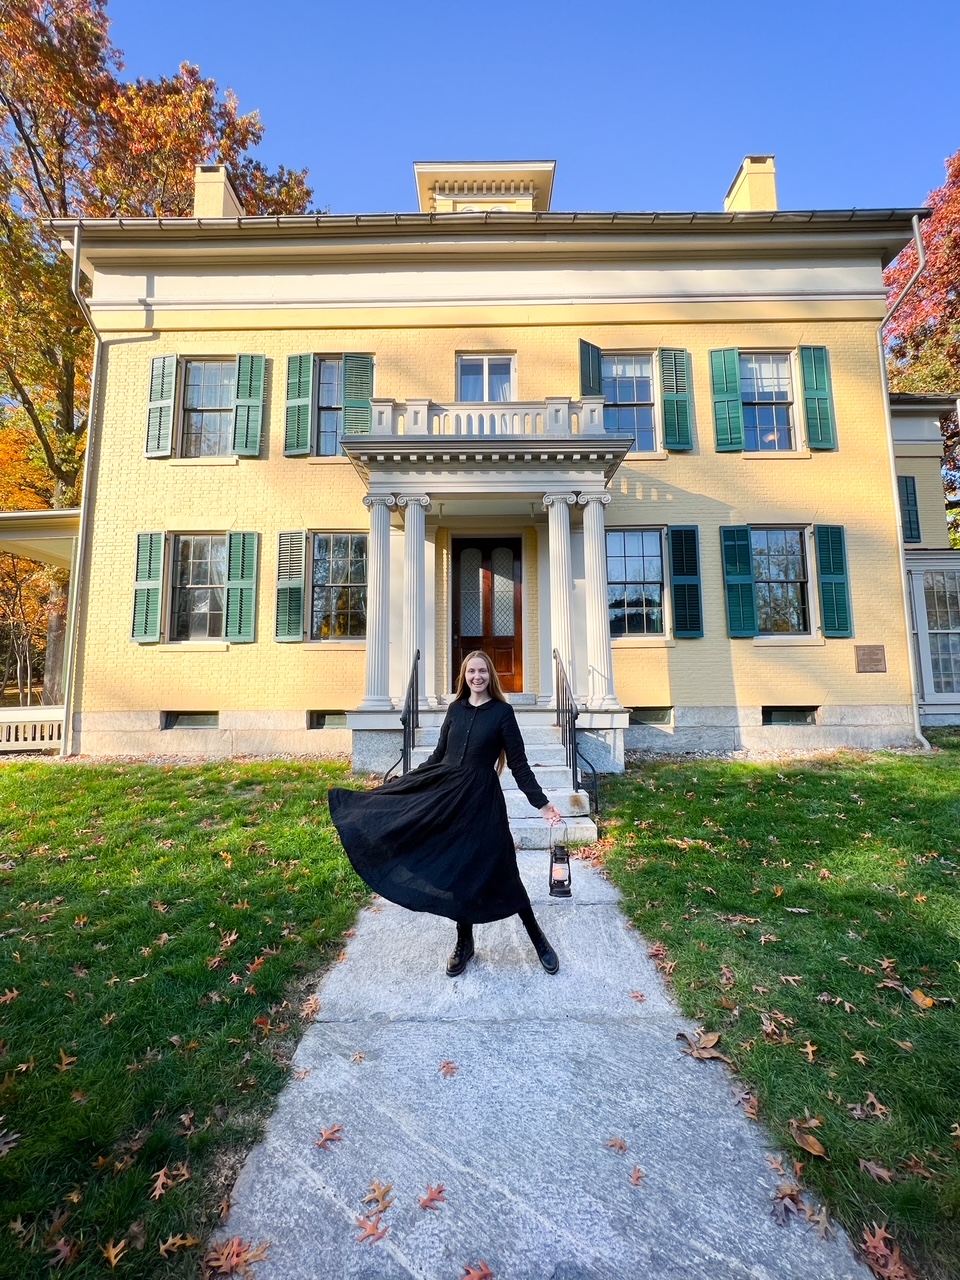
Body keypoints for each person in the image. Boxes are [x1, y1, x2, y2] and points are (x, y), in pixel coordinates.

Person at [328, 650, 564, 977]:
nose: (477, 677)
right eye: (471, 672)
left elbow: (519, 766)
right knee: (457, 871)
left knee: (504, 870)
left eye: (482, 671)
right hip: (448, 798)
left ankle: (538, 939)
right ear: (464, 676)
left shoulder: (502, 713)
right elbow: (439, 756)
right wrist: (406, 783)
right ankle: (464, 943)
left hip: (482, 802)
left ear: (490, 676)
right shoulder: (455, 709)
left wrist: (542, 803)